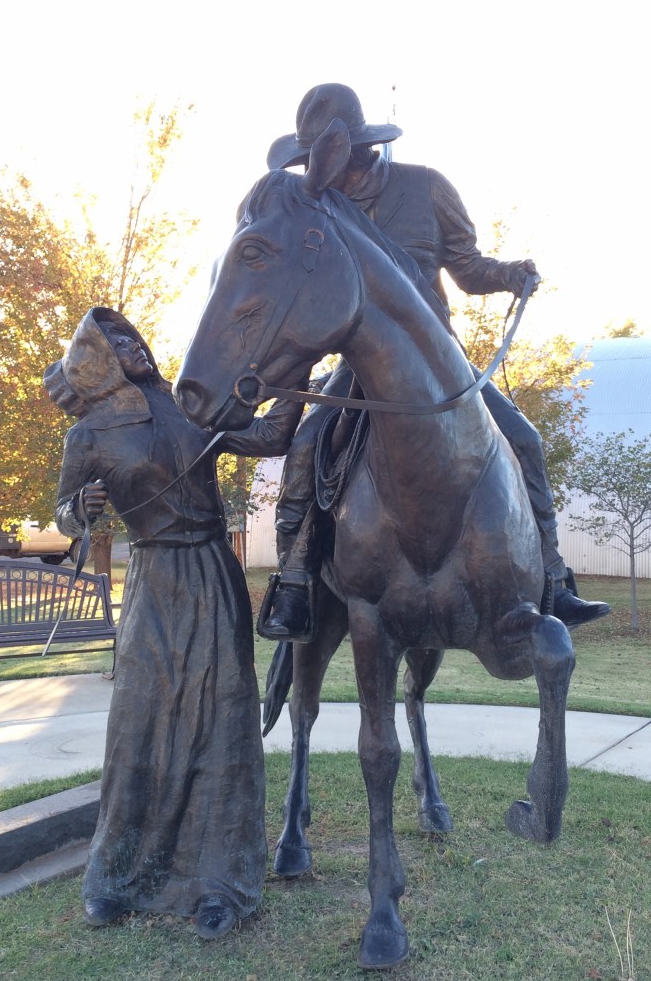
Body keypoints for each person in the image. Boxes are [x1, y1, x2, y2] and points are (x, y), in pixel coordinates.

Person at [261, 83, 609, 637]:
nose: (313, 171)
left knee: (525, 439)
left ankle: (553, 579)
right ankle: (295, 583)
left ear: (351, 151)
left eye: (318, 158)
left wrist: (510, 274)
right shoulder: (321, 209)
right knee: (306, 445)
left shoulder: (426, 188)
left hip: (439, 366)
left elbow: (466, 268)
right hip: (359, 368)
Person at [44, 307, 305, 938]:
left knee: (222, 716)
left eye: (131, 335)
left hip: (212, 570)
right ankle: (117, 877)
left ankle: (220, 882)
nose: (132, 344)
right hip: (154, 580)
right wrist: (81, 506)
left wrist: (296, 370)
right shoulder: (88, 436)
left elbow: (270, 437)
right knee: (141, 718)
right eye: (115, 341)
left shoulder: (192, 407)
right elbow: (64, 517)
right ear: (96, 360)